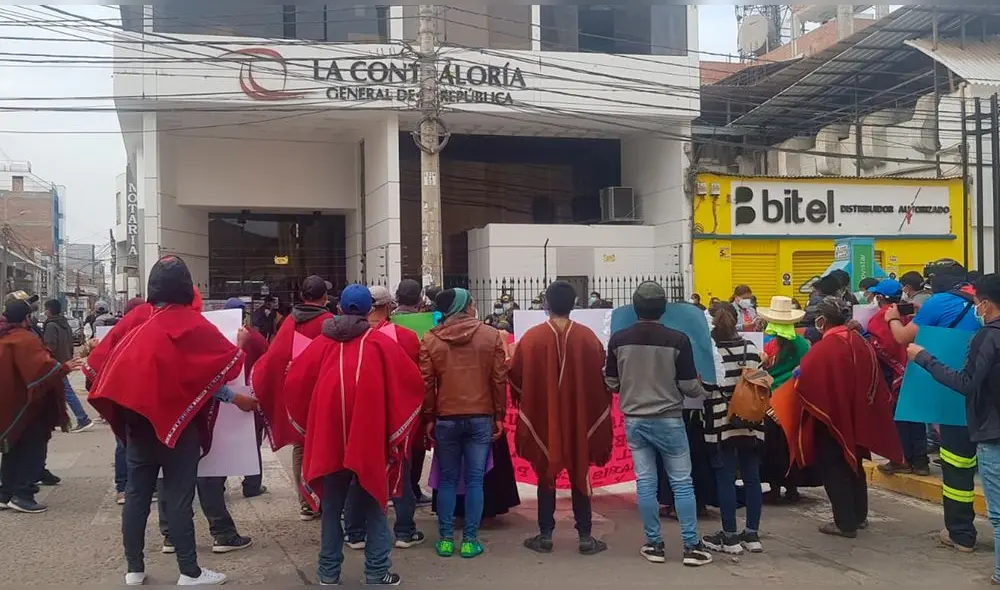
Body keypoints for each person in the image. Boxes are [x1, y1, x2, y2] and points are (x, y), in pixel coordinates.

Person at [86, 255, 258, 586]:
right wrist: (240, 345)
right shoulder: (192, 324)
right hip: (180, 429)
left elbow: (97, 363)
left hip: (138, 423)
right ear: (185, 286)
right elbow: (228, 364)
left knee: (137, 495)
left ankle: (134, 569)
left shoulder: (139, 321)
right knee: (179, 497)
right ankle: (189, 571)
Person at [283, 284, 423, 586]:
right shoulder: (381, 345)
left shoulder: (321, 344)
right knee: (374, 502)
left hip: (329, 441)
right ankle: (376, 571)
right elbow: (412, 383)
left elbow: (294, 383)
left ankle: (328, 572)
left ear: (340, 308)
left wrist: (312, 424)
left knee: (333, 509)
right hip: (370, 441)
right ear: (370, 309)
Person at [605, 281, 714, 566]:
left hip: (636, 421)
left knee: (646, 483)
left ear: (635, 307)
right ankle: (691, 546)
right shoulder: (678, 340)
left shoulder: (618, 340)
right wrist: (702, 390)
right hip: (669, 420)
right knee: (682, 483)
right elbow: (689, 385)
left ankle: (654, 544)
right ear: (664, 309)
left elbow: (612, 382)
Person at [907, 273, 1000, 584]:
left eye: (978, 303)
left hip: (988, 428)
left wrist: (924, 359)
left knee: (993, 507)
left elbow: (967, 383)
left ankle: (966, 539)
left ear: (985, 303)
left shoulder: (986, 336)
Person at [510, 281, 613, 555]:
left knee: (545, 471)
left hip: (543, 416)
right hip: (580, 419)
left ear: (546, 304)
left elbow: (516, 379)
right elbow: (600, 383)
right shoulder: (588, 339)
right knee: (580, 469)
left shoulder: (531, 339)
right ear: (575, 304)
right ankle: (586, 537)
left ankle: (545, 535)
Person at [787, 297, 902, 538]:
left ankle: (844, 522)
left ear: (822, 321)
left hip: (833, 418)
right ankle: (859, 516)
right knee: (854, 464)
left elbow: (806, 381)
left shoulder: (825, 348)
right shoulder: (859, 341)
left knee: (834, 467)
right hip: (858, 414)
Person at [886, 262, 980, 552]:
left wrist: (892, 318)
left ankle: (961, 533)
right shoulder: (982, 301)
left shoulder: (938, 302)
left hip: (954, 398)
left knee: (957, 468)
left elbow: (903, 338)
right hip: (987, 397)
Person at [420, 288, 507, 559]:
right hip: (481, 416)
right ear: (467, 307)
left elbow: (427, 384)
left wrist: (430, 417)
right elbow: (498, 380)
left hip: (446, 417)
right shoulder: (490, 336)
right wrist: (499, 415)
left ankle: (446, 539)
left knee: (447, 479)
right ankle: (470, 540)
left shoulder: (431, 340)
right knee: (474, 480)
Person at [344, 285, 426, 550]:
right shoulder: (406, 336)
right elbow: (418, 378)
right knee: (401, 471)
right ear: (388, 306)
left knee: (358, 473)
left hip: (360, 416)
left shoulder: (348, 337)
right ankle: (404, 530)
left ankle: (355, 532)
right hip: (396, 416)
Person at [252, 275, 333, 521]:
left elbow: (274, 358)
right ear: (324, 297)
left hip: (298, 396)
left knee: (301, 446)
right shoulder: (328, 322)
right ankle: (325, 499)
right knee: (327, 446)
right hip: (322, 393)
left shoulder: (290, 321)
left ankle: (306, 502)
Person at [0, 299, 80, 513]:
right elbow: (41, 369)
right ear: (27, 318)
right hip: (27, 407)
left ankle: (5, 493)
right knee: (33, 449)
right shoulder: (24, 340)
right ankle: (22, 494)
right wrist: (63, 368)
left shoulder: (4, 336)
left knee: (12, 449)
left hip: (9, 405)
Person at [701, 304, 765, 555]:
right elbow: (760, 381)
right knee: (752, 479)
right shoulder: (750, 348)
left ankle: (729, 537)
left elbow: (706, 388)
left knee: (725, 479)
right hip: (751, 422)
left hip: (721, 423)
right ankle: (752, 535)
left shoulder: (711, 351)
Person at [865, 280, 929, 476]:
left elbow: (880, 345)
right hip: (915, 367)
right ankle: (920, 462)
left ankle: (900, 459)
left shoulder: (881, 317)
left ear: (879, 297)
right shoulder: (911, 314)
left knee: (898, 419)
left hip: (891, 374)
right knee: (915, 417)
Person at [758, 296, 815, 504]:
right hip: (793, 400)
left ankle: (774, 488)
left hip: (772, 401)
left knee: (773, 447)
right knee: (790, 443)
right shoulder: (802, 344)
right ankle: (792, 488)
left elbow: (763, 368)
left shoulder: (770, 344)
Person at [222, 297, 270, 498]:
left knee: (221, 443)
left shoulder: (220, 336)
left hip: (224, 397)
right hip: (250, 397)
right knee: (252, 444)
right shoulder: (256, 338)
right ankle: (252, 485)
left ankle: (217, 485)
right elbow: (267, 367)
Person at [108, 296, 147, 505]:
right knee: (127, 443)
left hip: (123, 398)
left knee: (124, 442)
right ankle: (126, 486)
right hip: (132, 398)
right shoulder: (139, 332)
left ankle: (125, 488)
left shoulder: (118, 333)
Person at [42, 298, 93, 433]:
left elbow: (49, 346)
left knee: (66, 391)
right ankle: (58, 419)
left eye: (46, 308)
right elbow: (71, 343)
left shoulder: (51, 325)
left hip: (55, 363)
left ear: (49, 310)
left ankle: (83, 418)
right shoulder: (64, 323)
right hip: (64, 361)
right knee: (54, 392)